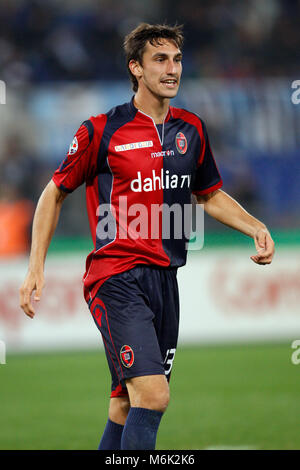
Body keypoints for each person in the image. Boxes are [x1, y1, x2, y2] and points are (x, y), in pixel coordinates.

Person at [19, 23, 275, 450]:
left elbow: (208, 193)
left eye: (176, 59)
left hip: (164, 281)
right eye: (160, 59)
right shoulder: (101, 130)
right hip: (115, 277)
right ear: (135, 67)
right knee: (154, 395)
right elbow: (53, 193)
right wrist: (35, 269)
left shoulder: (191, 128)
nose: (172, 68)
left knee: (125, 404)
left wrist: (256, 227)